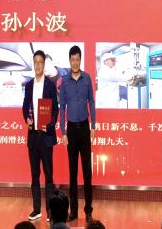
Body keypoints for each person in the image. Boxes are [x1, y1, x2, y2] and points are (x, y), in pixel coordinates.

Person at [60, 45, 96, 222]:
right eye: (72, 59)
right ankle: (73, 211)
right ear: (69, 60)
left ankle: (88, 211)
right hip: (72, 131)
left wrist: (93, 126)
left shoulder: (87, 78)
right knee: (72, 173)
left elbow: (92, 103)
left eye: (77, 59)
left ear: (80, 60)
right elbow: (62, 108)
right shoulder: (64, 81)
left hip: (84, 129)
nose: (75, 62)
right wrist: (63, 131)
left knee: (87, 172)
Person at [22, 50, 59, 221]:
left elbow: (55, 110)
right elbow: (25, 106)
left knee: (49, 176)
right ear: (33, 64)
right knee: (34, 175)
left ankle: (50, 211)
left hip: (46, 136)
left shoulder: (50, 85)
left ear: (44, 65)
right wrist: (27, 119)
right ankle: (36, 209)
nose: (38, 65)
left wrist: (49, 125)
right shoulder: (29, 85)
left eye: (41, 62)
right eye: (35, 62)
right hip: (33, 136)